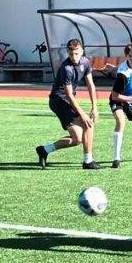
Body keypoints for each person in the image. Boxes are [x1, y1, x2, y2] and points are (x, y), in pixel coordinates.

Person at [36, 39, 102, 169]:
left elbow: (91, 85)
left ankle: (44, 150)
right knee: (88, 124)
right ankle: (88, 161)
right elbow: (69, 95)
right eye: (71, 54)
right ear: (68, 52)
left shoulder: (85, 62)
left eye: (76, 54)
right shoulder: (66, 68)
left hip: (66, 101)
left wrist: (94, 107)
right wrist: (82, 114)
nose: (74, 57)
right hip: (59, 101)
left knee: (77, 139)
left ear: (82, 51)